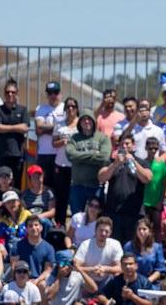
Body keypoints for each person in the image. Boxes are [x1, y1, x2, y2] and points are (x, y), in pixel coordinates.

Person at [98, 134, 152, 242]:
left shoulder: (142, 162)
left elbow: (147, 178)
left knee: (132, 246)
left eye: (127, 143)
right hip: (114, 213)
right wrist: (115, 164)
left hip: (134, 213)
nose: (124, 146)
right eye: (122, 144)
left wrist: (134, 162)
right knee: (115, 245)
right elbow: (101, 177)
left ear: (133, 145)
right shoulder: (111, 162)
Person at [66, 110, 111, 215]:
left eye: (89, 119)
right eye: (83, 119)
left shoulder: (103, 138)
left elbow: (104, 157)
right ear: (79, 123)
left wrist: (80, 157)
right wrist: (93, 154)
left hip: (96, 186)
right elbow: (71, 155)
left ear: (94, 121)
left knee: (95, 219)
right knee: (77, 218)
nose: (86, 121)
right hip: (77, 186)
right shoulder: (74, 138)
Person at [0, 77, 30, 190]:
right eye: (7, 92)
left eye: (13, 92)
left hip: (17, 155)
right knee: (0, 184)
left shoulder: (23, 110)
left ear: (17, 94)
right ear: (4, 94)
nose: (10, 94)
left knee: (16, 184)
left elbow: (25, 128)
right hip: (1, 154)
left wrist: (6, 127)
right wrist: (16, 127)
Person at [51, 96, 79, 227]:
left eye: (73, 106)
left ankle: (75, 226)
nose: (70, 109)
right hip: (61, 164)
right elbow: (53, 143)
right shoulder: (59, 124)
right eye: (68, 106)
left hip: (76, 166)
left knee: (74, 198)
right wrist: (62, 142)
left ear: (77, 109)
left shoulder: (81, 124)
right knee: (61, 197)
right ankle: (60, 225)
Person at [74, 216, 123, 289]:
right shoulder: (85, 245)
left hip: (107, 280)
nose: (103, 233)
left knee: (119, 275)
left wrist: (105, 269)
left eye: (106, 231)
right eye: (101, 230)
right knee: (76, 276)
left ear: (110, 233)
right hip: (87, 280)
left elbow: (120, 268)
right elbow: (76, 267)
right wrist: (93, 269)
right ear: (95, 230)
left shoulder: (115, 244)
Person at [35, 81, 65, 188]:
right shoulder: (40, 108)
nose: (53, 95)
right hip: (44, 153)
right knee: (44, 185)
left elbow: (68, 129)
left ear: (60, 93)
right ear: (47, 94)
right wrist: (58, 129)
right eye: (50, 93)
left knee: (60, 186)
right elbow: (38, 129)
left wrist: (47, 128)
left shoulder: (66, 108)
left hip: (61, 153)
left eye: (55, 92)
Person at [141, 137, 166, 247]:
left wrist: (160, 201)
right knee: (144, 227)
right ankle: (143, 247)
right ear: (146, 148)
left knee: (157, 228)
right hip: (144, 202)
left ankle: (158, 250)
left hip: (156, 202)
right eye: (151, 148)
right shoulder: (142, 163)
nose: (153, 150)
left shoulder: (161, 164)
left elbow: (164, 183)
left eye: (155, 148)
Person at [16, 215, 56, 291]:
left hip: (39, 280)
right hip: (21, 278)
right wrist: (25, 280)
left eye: (36, 225)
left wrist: (36, 280)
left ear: (41, 227)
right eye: (30, 226)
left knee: (42, 285)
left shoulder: (49, 248)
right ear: (26, 229)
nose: (34, 228)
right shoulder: (18, 246)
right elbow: (14, 266)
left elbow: (48, 269)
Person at [122, 218, 166, 285]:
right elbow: (124, 265)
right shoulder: (128, 246)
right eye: (139, 229)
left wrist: (147, 282)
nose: (141, 231)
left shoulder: (157, 247)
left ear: (149, 231)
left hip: (151, 283)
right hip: (132, 282)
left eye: (144, 229)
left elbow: (160, 269)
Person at [0, 190, 31, 258]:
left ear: (18, 202)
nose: (11, 204)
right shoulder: (2, 220)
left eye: (13, 201)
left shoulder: (28, 216)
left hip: (27, 251)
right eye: (8, 202)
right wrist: (1, 246)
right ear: (5, 205)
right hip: (10, 254)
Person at [21, 165, 56, 232]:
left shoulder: (49, 192)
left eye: (39, 176)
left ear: (43, 176)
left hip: (44, 218)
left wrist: (39, 216)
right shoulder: (25, 194)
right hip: (29, 218)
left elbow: (52, 211)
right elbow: (22, 210)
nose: (37, 179)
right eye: (34, 177)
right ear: (30, 179)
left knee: (44, 222)